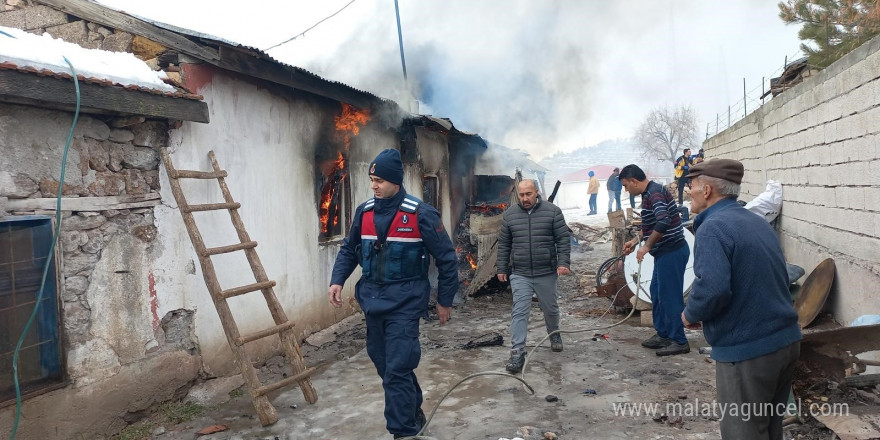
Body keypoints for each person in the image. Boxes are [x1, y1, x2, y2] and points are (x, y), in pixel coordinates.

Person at [328, 149, 459, 439]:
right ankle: (413, 412)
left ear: (396, 182)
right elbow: (350, 249)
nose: (373, 185)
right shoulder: (364, 212)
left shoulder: (421, 214)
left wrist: (444, 300)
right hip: (373, 302)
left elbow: (448, 259)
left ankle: (403, 431)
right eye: (372, 179)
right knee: (386, 366)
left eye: (380, 180)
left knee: (398, 368)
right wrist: (337, 280)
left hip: (407, 303)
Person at [682, 159, 801, 440]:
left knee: (743, 432)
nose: (690, 193)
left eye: (693, 187)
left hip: (749, 353)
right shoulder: (754, 221)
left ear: (708, 190)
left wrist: (691, 314)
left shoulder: (713, 227)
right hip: (784, 342)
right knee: (770, 429)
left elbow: (712, 289)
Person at [496, 179, 571, 373]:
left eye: (528, 194)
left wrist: (563, 263)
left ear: (536, 192)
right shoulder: (510, 215)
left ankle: (554, 334)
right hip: (520, 273)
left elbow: (563, 239)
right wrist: (502, 268)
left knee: (550, 308)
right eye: (521, 195)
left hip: (546, 271)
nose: (525, 198)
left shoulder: (553, 212)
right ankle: (517, 352)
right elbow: (504, 244)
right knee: (519, 311)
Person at [619, 164, 690, 356]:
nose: (626, 190)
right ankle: (664, 334)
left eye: (626, 185)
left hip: (672, 252)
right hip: (664, 253)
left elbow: (664, 221)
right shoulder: (648, 194)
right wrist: (635, 241)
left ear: (634, 181)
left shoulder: (655, 194)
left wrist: (647, 246)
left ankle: (679, 340)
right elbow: (651, 225)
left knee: (670, 297)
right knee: (657, 292)